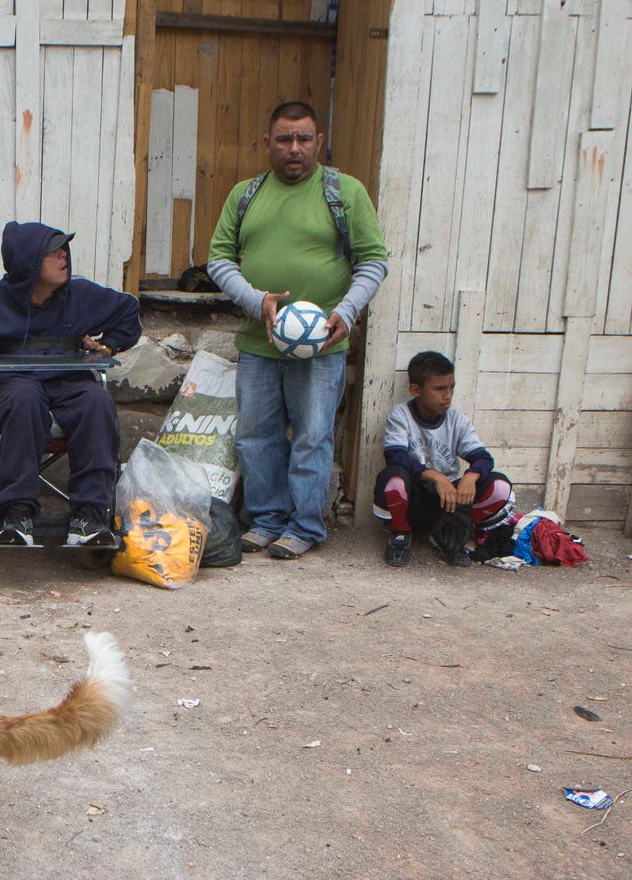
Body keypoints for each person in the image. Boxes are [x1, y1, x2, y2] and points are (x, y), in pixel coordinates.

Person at [206, 100, 389, 561]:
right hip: (259, 343)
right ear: (267, 143)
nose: (294, 148)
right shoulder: (245, 194)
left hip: (321, 346)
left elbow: (373, 262)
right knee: (255, 436)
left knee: (312, 436)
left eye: (304, 139)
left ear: (319, 142)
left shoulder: (344, 192)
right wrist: (256, 302)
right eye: (284, 139)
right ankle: (266, 520)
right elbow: (218, 260)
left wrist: (346, 311)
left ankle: (305, 525)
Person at [0, 221, 141, 547]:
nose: (64, 256)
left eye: (64, 249)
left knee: (97, 402)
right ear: (29, 262)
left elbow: (129, 311)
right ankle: (17, 512)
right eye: (54, 252)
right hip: (15, 384)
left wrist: (107, 346)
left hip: (69, 381)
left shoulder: (80, 294)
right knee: (24, 400)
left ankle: (89, 515)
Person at [372, 351, 514, 568]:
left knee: (500, 486)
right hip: (415, 498)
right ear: (416, 390)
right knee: (393, 478)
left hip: (448, 503)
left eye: (451, 388)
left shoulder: (457, 420)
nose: (448, 395)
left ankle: (451, 536)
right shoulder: (401, 416)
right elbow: (395, 456)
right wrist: (436, 477)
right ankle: (400, 535)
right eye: (439, 389)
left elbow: (483, 458)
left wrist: (471, 476)